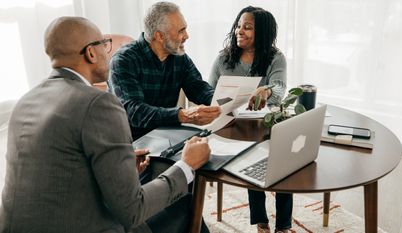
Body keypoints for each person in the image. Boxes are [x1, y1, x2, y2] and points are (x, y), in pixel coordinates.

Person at [0, 16, 210, 233]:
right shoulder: (98, 103)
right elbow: (133, 210)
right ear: (91, 52)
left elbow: (61, 170)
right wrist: (186, 165)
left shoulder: (25, 101)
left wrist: (121, 165)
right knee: (186, 205)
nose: (108, 52)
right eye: (104, 44)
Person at [209, 6, 292, 233]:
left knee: (285, 163)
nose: (239, 31)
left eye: (247, 27)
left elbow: (279, 90)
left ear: (262, 32)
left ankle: (283, 225)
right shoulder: (223, 59)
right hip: (234, 126)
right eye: (238, 25)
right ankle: (261, 221)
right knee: (250, 158)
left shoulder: (276, 58)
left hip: (265, 125)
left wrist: (265, 90)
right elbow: (208, 92)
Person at [108, 1, 221, 140]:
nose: (187, 36)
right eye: (181, 30)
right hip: (132, 143)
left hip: (165, 136)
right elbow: (134, 112)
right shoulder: (123, 60)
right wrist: (182, 115)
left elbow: (198, 88)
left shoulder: (179, 57)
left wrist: (223, 101)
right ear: (160, 36)